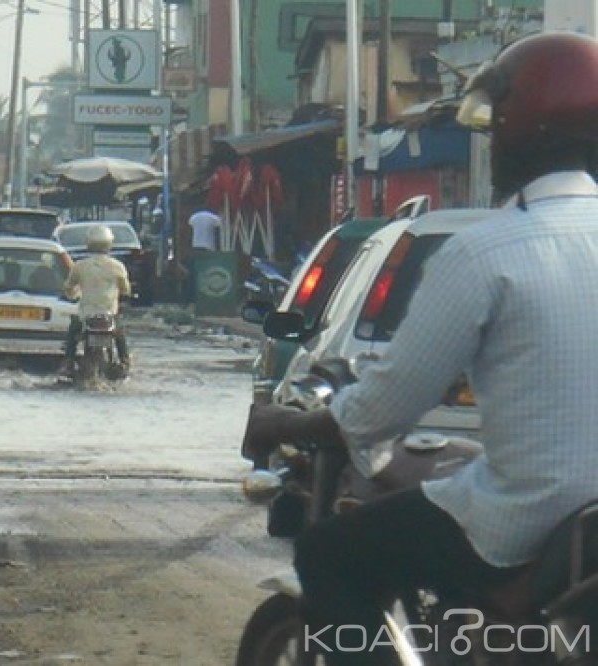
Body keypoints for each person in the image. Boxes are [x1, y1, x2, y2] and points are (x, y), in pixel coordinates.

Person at [243, 31, 598, 665]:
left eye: (496, 128)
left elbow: (385, 408)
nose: (490, 143)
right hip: (584, 532)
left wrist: (290, 419)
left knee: (331, 554)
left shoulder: (488, 252)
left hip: (527, 521)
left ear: (522, 127)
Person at [61, 225, 132, 376]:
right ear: (109, 244)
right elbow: (126, 289)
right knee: (120, 336)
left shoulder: (80, 266)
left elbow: (69, 286)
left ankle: (68, 362)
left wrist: (71, 294)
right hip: (109, 315)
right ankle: (124, 362)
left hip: (86, 315)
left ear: (89, 243)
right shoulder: (118, 266)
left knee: (72, 333)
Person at [186, 206, 222, 302]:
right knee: (208, 273)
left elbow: (189, 230)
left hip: (196, 247)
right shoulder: (213, 217)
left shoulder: (193, 217)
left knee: (193, 273)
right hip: (208, 248)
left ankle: (190, 298)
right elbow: (219, 228)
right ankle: (206, 297)